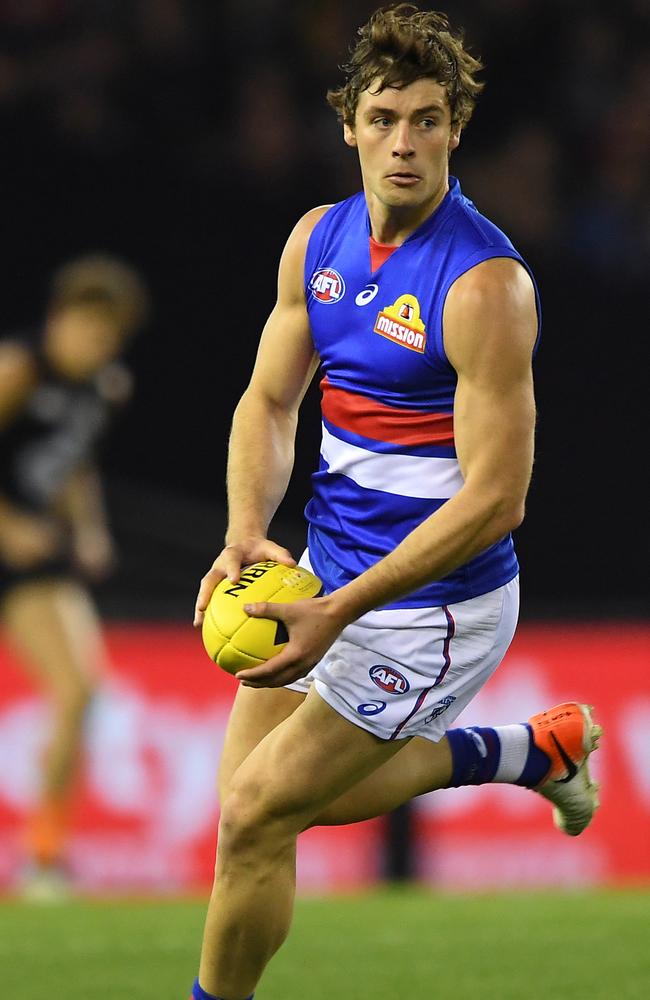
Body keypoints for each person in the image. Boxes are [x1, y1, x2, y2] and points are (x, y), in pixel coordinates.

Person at [191, 7, 601, 999]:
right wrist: (246, 531)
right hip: (325, 570)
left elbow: (497, 499)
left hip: (434, 606)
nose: (403, 142)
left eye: (426, 119)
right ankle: (528, 749)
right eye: (383, 118)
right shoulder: (316, 243)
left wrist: (343, 605)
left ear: (456, 128)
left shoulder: (483, 283)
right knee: (249, 814)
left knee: (256, 812)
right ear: (348, 126)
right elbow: (268, 400)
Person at [0, 253, 149, 898]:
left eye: (109, 336)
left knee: (80, 691)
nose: (96, 345)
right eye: (88, 329)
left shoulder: (105, 386)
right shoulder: (18, 369)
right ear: (59, 320)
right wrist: (7, 526)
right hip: (11, 538)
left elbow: (74, 466)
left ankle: (45, 856)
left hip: (33, 561)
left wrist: (88, 528)